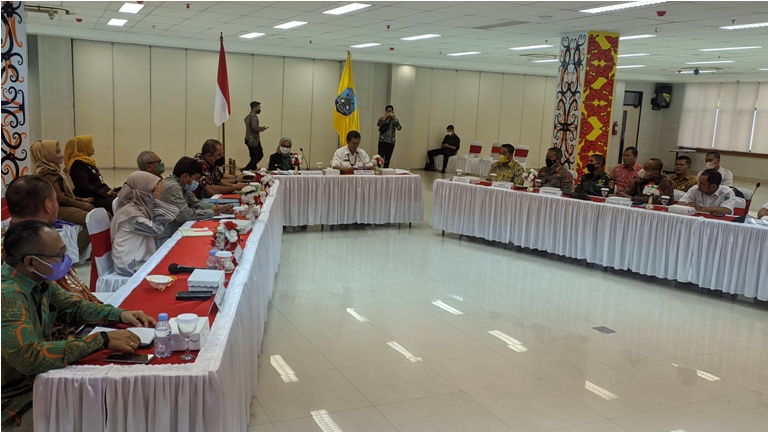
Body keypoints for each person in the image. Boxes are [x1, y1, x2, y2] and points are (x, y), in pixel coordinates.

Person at [1, 220, 155, 430]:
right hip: (15, 402)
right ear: (30, 262)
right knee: (105, 409)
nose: (66, 261)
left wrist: (120, 315)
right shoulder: (8, 296)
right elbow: (29, 356)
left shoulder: (37, 279)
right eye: (58, 255)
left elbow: (73, 308)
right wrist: (101, 340)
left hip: (41, 382)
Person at [4, 176, 104, 336]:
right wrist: (102, 337)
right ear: (48, 205)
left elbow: (71, 305)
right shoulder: (34, 251)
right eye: (56, 200)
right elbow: (65, 312)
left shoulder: (13, 244)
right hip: (62, 338)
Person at [111, 172, 179, 276]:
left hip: (138, 258)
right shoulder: (129, 214)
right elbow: (156, 229)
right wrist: (157, 201)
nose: (154, 194)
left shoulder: (138, 207)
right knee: (170, 269)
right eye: (152, 191)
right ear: (140, 192)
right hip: (130, 264)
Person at [30, 140, 92, 253]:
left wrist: (81, 200)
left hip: (59, 205)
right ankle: (70, 254)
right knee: (91, 220)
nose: (62, 155)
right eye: (57, 152)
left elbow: (63, 195)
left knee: (95, 213)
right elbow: (59, 198)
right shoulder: (46, 173)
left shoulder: (54, 170)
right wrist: (82, 204)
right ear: (48, 155)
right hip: (54, 208)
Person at [159, 157, 233, 243]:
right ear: (186, 176)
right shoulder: (172, 187)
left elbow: (196, 203)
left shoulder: (181, 184)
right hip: (167, 237)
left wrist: (220, 208)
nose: (197, 182)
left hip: (177, 231)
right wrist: (211, 212)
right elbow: (184, 215)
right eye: (197, 178)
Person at [63, 135, 117, 214]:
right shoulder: (77, 165)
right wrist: (104, 194)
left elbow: (98, 182)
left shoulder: (88, 161)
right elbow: (84, 188)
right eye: (90, 145)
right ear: (83, 147)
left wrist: (109, 190)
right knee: (118, 203)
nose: (93, 147)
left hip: (99, 194)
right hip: (91, 198)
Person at [243, 101, 269, 171]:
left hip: (248, 138)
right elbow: (254, 126)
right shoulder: (253, 116)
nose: (259, 109)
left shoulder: (248, 116)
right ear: (254, 108)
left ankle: (253, 170)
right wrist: (261, 129)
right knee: (259, 155)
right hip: (253, 139)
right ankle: (246, 169)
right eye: (258, 107)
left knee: (253, 156)